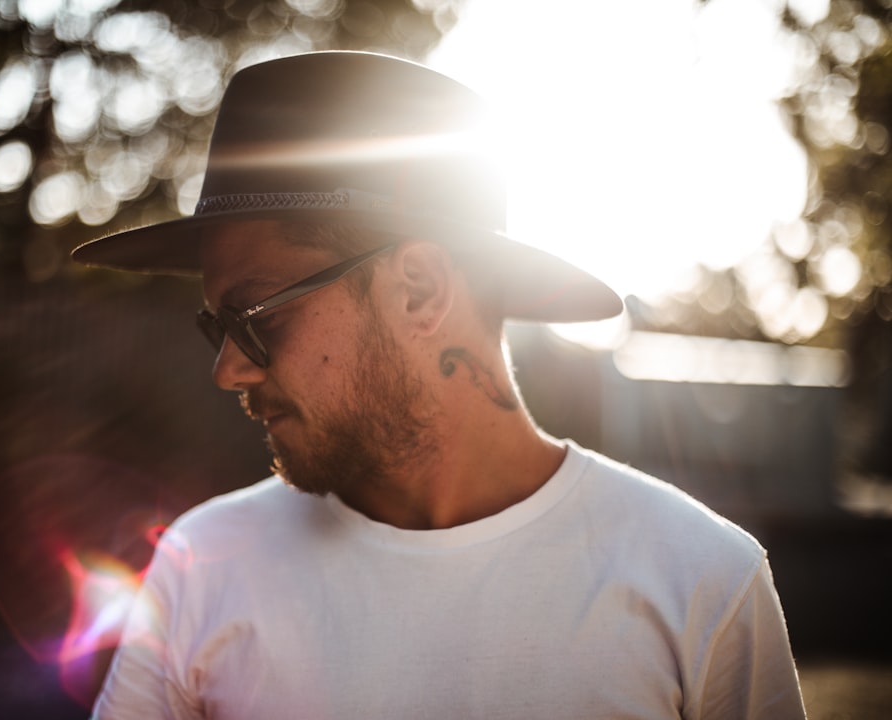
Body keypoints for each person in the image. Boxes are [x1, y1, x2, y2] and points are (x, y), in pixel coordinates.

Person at [72, 51, 807, 719]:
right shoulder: (200, 571)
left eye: (255, 318)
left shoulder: (701, 582)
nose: (228, 368)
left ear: (419, 290)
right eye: (216, 327)